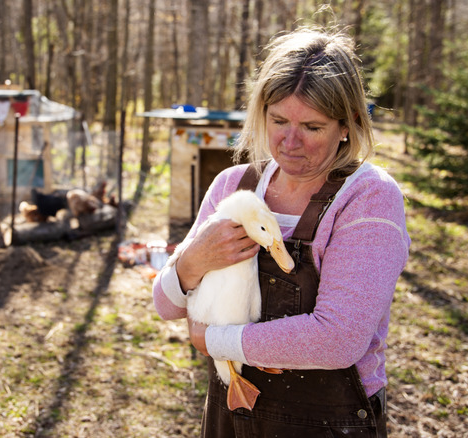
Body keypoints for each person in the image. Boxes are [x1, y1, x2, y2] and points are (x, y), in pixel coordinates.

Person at [152, 26, 410, 437]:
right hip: (230, 414)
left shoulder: (367, 199)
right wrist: (190, 262)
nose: (290, 142)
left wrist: (214, 341)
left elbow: (338, 339)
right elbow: (166, 306)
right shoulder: (233, 186)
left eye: (312, 127)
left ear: (349, 124)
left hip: (327, 423)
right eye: (278, 121)